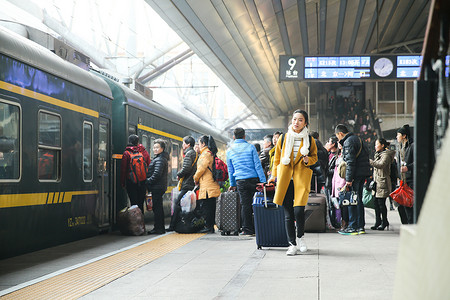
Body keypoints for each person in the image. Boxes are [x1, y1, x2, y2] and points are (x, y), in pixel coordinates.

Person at [268, 110, 318, 256]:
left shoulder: (310, 140)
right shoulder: (283, 138)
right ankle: (292, 244)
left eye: (300, 120)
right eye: (295, 119)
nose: (296, 122)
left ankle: (301, 238)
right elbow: (276, 159)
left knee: (299, 211)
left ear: (306, 123)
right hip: (285, 179)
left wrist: (309, 160)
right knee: (288, 213)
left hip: (301, 178)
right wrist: (273, 176)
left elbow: (315, 157)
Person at [227, 127, 266, 236]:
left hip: (240, 181)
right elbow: (257, 165)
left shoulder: (229, 151)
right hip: (254, 180)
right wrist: (263, 180)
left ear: (234, 137)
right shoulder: (251, 147)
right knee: (257, 203)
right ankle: (259, 228)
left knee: (245, 205)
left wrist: (232, 184)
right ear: (244, 136)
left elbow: (230, 169)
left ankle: (247, 229)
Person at [335, 124, 371, 235]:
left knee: (352, 200)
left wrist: (349, 179)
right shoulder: (357, 139)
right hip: (362, 173)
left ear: (340, 134)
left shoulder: (348, 142)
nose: (338, 139)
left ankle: (353, 226)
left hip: (355, 175)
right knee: (358, 199)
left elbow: (350, 162)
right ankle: (360, 226)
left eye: (337, 137)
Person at [168, 136, 198, 231]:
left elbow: (186, 168)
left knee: (177, 203)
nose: (182, 145)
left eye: (183, 143)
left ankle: (173, 225)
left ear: (188, 144)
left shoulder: (189, 154)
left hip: (187, 183)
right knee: (187, 204)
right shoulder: (195, 153)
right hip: (190, 183)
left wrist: (179, 174)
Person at [193, 135, 221, 233]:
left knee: (207, 207)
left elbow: (201, 169)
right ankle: (209, 226)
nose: (198, 145)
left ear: (203, 143)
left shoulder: (205, 154)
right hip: (210, 184)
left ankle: (209, 227)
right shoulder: (210, 153)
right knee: (209, 206)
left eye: (199, 143)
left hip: (207, 186)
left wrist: (195, 178)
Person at [120, 134, 151, 213]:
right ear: (138, 142)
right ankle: (142, 223)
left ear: (129, 142)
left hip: (131, 182)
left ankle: (135, 224)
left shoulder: (127, 153)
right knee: (140, 204)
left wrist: (123, 183)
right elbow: (149, 165)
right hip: (142, 182)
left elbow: (123, 170)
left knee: (134, 204)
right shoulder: (143, 152)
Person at [369, 138, 395, 230]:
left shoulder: (386, 155)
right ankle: (378, 222)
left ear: (382, 145)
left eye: (377, 144)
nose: (375, 146)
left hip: (383, 181)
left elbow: (381, 165)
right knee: (376, 203)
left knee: (381, 203)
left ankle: (384, 221)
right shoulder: (378, 154)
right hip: (377, 182)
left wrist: (370, 162)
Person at [146, 139, 169, 234]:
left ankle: (159, 228)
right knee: (157, 208)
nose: (155, 149)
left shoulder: (160, 159)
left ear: (162, 149)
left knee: (157, 208)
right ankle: (159, 228)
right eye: (154, 147)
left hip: (157, 187)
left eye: (157, 147)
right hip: (158, 186)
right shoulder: (160, 158)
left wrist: (147, 181)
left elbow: (157, 174)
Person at [396, 124, 414, 224]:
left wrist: (408, 167)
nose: (396, 137)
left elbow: (418, 161)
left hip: (411, 181)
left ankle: (411, 225)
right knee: (401, 205)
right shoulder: (401, 148)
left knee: (408, 205)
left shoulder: (412, 146)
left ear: (404, 136)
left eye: (398, 135)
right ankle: (407, 225)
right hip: (403, 181)